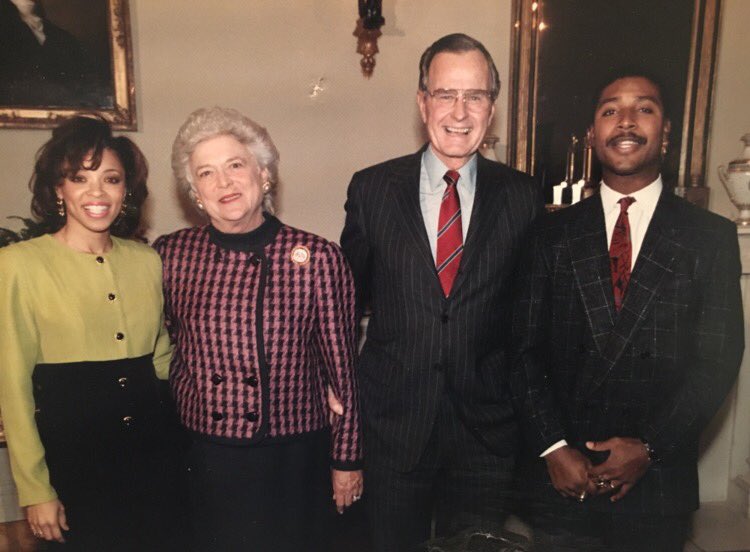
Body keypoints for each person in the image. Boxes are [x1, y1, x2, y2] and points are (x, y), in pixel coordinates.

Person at [510, 72, 744, 551]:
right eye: (610, 109)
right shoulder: (550, 236)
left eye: (645, 108)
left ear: (668, 131)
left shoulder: (709, 237)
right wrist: (555, 448)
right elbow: (521, 352)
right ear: (593, 133)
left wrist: (650, 448)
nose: (627, 121)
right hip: (564, 481)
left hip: (657, 483)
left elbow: (717, 359)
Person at [340, 33, 543, 551]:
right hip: (392, 428)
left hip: (485, 434)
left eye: (474, 96)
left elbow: (529, 321)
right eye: (445, 94)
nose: (459, 111)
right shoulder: (372, 190)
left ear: (492, 109)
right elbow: (344, 304)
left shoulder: (522, 197)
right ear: (422, 101)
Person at [154, 106, 363, 552]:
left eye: (235, 165)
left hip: (292, 457)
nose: (224, 183)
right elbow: (165, 348)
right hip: (207, 454)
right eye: (206, 174)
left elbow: (343, 374)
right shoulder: (171, 254)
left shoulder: (317, 257)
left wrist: (346, 459)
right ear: (194, 192)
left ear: (264, 174)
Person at [0, 116, 187, 550]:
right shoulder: (18, 264)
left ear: (127, 191)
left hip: (156, 452)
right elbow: (13, 385)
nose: (97, 193)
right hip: (75, 459)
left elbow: (163, 360)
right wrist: (36, 490)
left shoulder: (147, 260)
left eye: (112, 179)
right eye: (79, 178)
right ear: (57, 190)